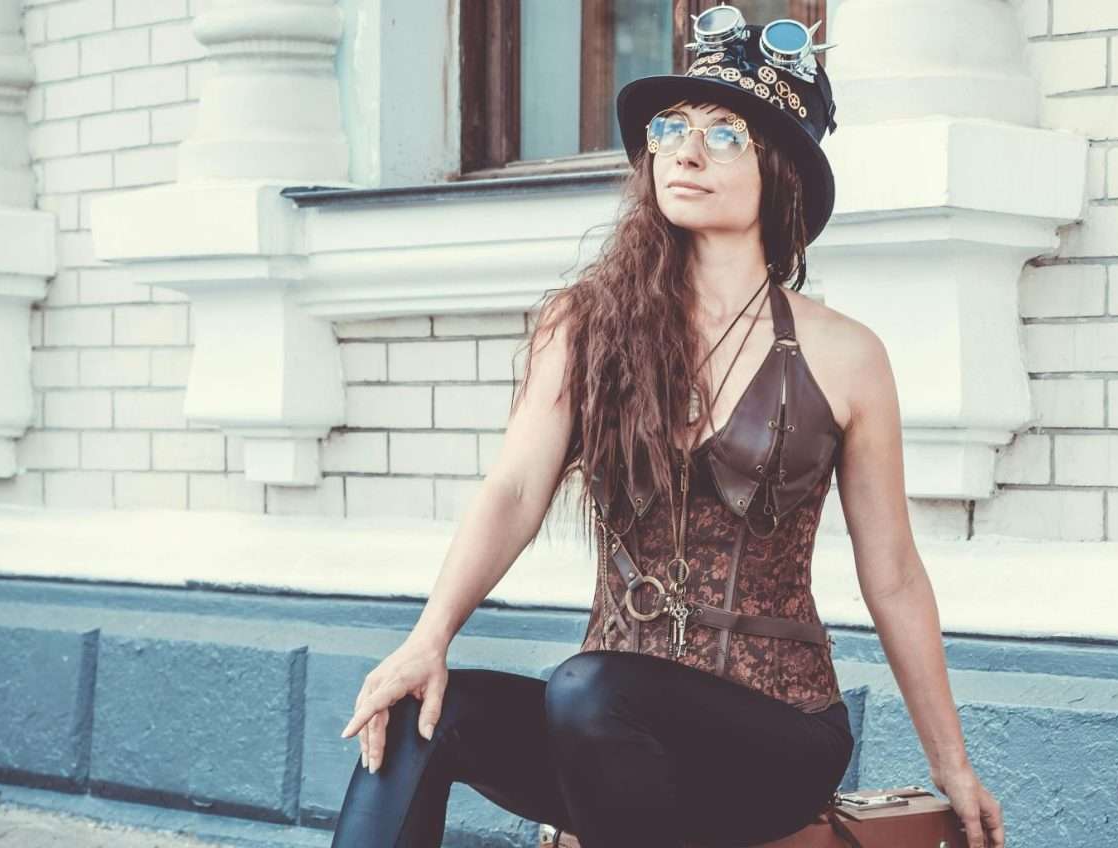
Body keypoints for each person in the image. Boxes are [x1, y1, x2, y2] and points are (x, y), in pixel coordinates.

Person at [329, 6, 1006, 847]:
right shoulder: (586, 326)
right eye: (670, 128)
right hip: (602, 729)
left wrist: (952, 764)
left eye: (724, 135)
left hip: (775, 735)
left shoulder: (846, 355)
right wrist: (426, 640)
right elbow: (513, 490)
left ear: (781, 173)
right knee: (420, 715)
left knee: (589, 690)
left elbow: (894, 573)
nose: (685, 151)